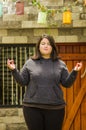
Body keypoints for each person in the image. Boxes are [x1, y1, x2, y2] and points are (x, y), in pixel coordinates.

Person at [7, 34, 82, 130]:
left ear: (53, 47)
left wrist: (74, 71)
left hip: (55, 108)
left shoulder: (60, 64)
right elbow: (22, 82)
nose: (46, 46)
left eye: (49, 44)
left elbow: (66, 84)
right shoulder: (30, 63)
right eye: (43, 43)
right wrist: (14, 70)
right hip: (32, 107)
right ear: (38, 46)